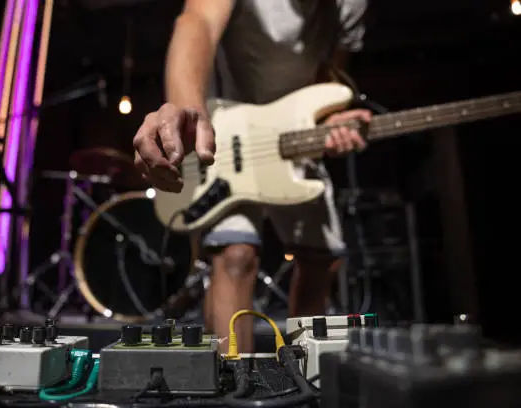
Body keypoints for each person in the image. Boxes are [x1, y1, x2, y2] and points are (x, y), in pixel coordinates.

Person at [133, 0, 372, 352]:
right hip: (229, 129)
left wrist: (330, 122)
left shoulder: (351, 5)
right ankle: (233, 384)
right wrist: (186, 112)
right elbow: (198, 21)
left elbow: (330, 75)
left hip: (293, 131)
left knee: (321, 259)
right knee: (235, 254)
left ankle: (307, 383)